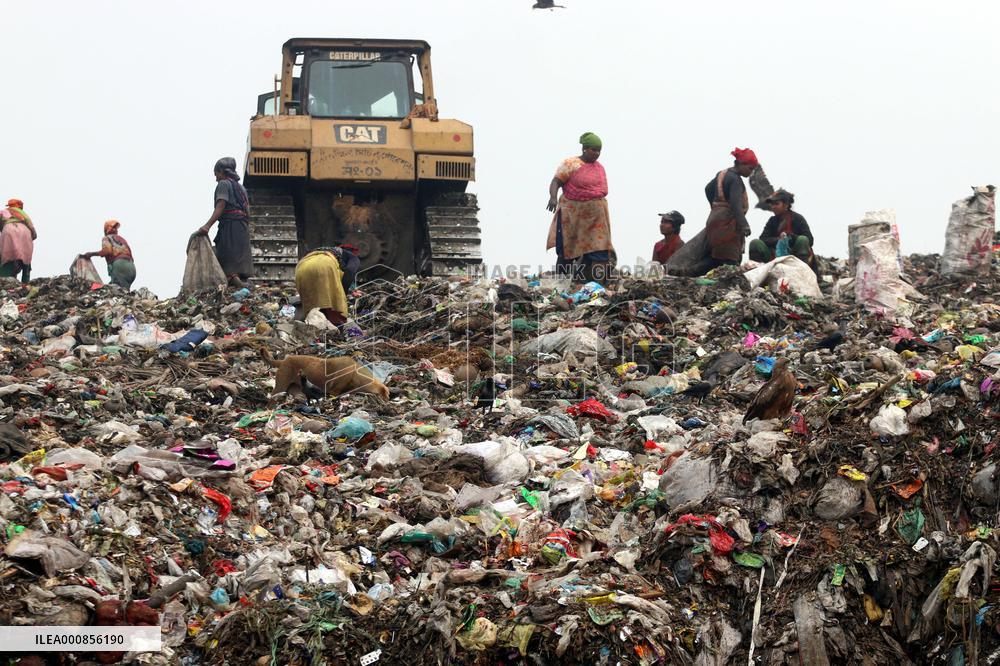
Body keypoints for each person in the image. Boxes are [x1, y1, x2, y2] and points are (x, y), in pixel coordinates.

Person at [546, 132, 616, 284]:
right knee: (567, 251)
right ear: (584, 148)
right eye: (593, 150)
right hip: (572, 217)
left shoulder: (599, 168)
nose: (596, 154)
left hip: (596, 220)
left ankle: (593, 285)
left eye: (599, 150)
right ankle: (561, 284)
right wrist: (552, 197)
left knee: (599, 251)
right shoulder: (571, 164)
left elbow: (602, 191)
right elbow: (556, 181)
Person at [697, 148, 758, 273]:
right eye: (750, 168)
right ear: (740, 164)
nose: (751, 173)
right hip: (728, 224)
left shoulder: (722, 174)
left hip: (714, 220)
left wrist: (716, 206)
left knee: (716, 258)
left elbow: (708, 188)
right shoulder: (735, 180)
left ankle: (690, 271)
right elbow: (736, 206)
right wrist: (744, 225)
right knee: (730, 260)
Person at [197, 157, 253, 287]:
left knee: (226, 251)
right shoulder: (241, 188)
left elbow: (221, 205)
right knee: (239, 252)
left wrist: (207, 226)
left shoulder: (223, 184)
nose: (216, 178)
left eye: (216, 174)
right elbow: (247, 211)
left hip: (230, 224)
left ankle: (231, 277)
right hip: (242, 224)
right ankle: (241, 278)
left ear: (222, 171)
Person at [749, 189, 816, 270]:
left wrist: (791, 237)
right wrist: (779, 240)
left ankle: (803, 271)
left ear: (786, 205)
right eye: (772, 204)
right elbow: (763, 239)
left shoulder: (798, 218)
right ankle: (756, 272)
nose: (773, 207)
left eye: (776, 204)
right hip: (775, 257)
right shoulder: (772, 221)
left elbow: (810, 240)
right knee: (755, 243)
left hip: (794, 258)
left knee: (803, 239)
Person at [295, 246, 360, 326]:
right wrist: (343, 292)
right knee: (334, 303)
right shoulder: (353, 257)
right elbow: (350, 271)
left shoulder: (321, 251)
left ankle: (310, 324)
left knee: (313, 301)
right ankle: (336, 325)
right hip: (326, 265)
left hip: (302, 266)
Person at [84, 220, 136, 289]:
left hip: (120, 266)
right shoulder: (122, 240)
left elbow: (107, 251)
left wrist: (91, 254)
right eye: (114, 228)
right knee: (120, 289)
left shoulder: (107, 238)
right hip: (131, 268)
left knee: (119, 289)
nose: (116, 230)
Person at [0, 198, 36, 283]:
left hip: (9, 230)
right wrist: (32, 237)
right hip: (25, 232)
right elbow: (32, 228)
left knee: (7, 256)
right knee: (26, 258)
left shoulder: (3, 212)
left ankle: (3, 280)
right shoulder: (23, 214)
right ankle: (25, 282)